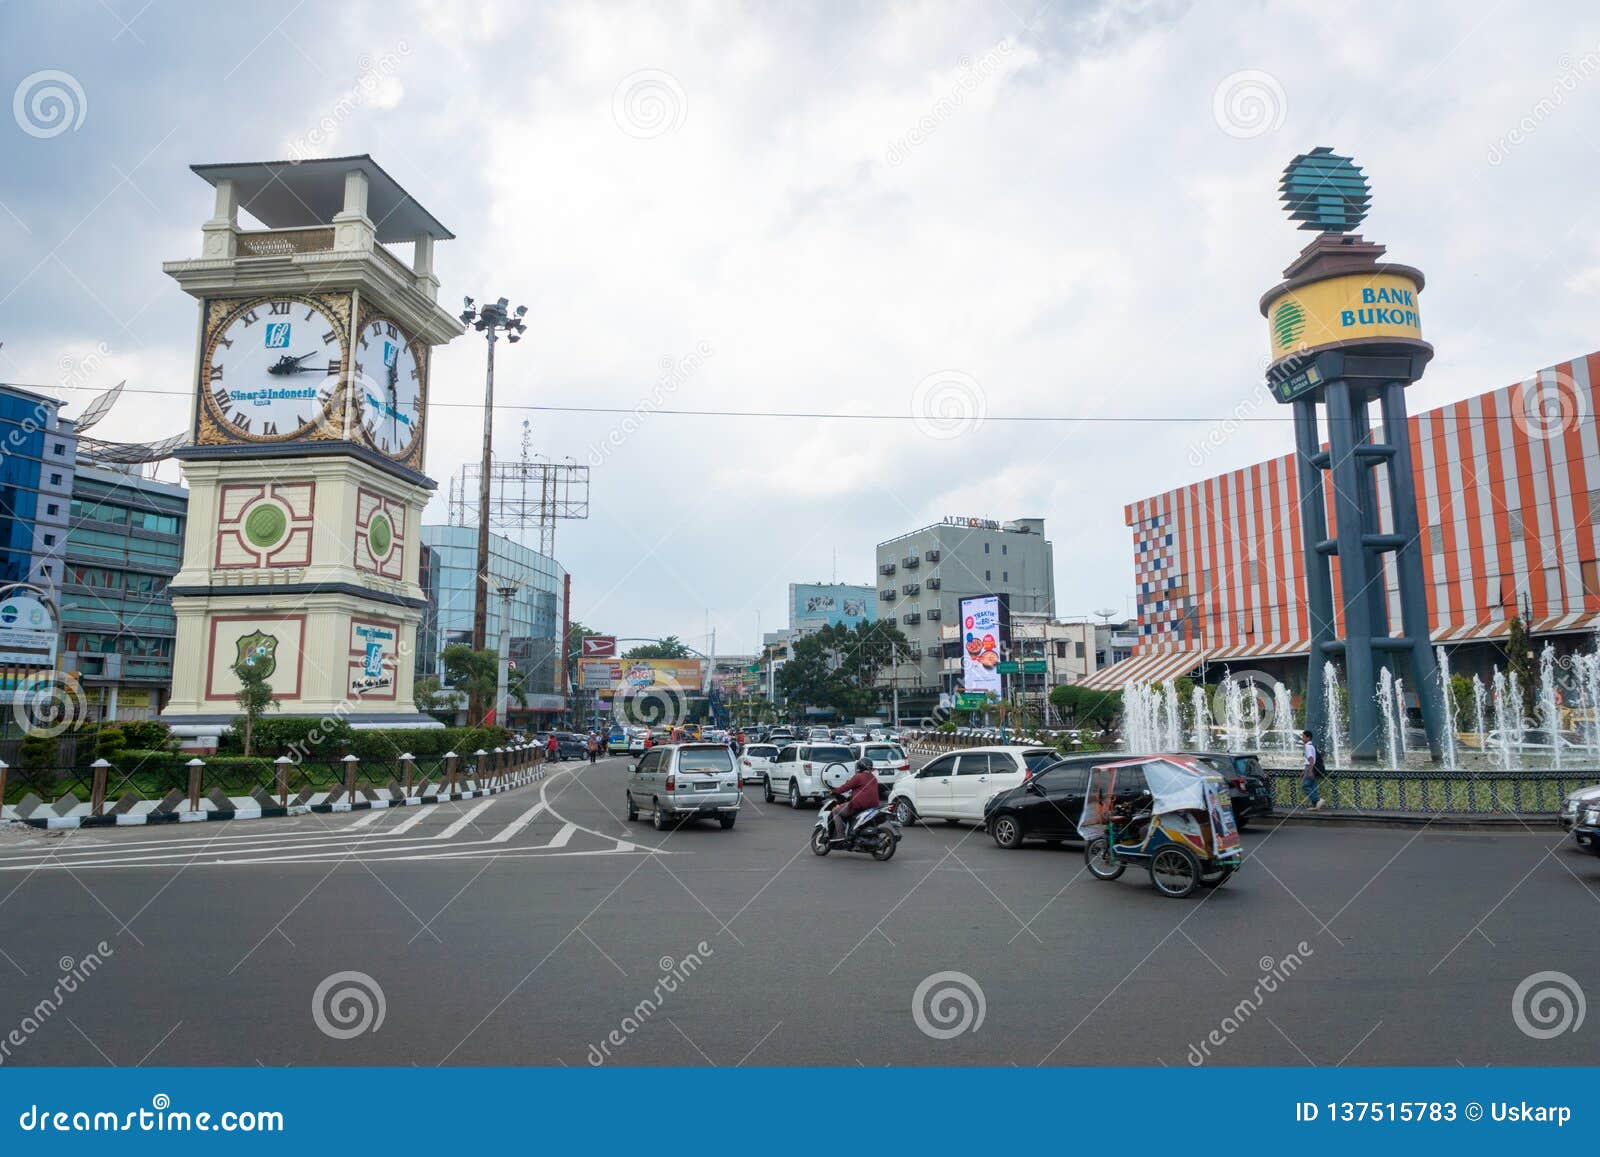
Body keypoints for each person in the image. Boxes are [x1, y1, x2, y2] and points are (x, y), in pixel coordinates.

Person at [829, 757, 881, 841]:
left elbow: (845, 787)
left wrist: (834, 791)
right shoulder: (873, 778)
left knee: (835, 811)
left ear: (859, 767)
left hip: (859, 805)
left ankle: (840, 835)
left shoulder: (858, 777)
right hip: (873, 806)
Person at [1301, 729, 1326, 810]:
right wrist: (1304, 770)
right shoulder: (1312, 746)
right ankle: (1316, 805)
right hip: (1311, 768)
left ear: (1308, 738)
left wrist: (1310, 771)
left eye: (1303, 737)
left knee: (1305, 785)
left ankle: (1318, 800)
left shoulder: (1308, 746)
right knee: (1313, 786)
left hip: (1310, 768)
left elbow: (1311, 759)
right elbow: (1309, 760)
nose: (1302, 738)